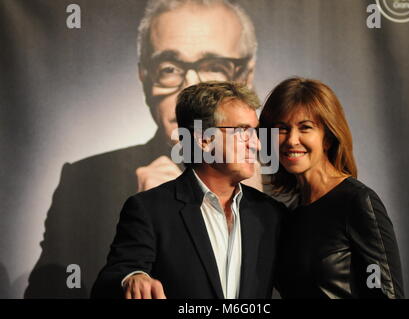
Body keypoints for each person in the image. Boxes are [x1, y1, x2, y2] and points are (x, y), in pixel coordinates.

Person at [25, 0, 260, 298]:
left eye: (214, 67)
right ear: (144, 76)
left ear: (246, 75)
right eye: (169, 68)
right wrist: (133, 275)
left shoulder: (278, 194)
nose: (190, 87)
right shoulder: (86, 181)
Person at [91, 81, 285, 299]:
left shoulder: (270, 214)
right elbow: (112, 280)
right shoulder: (149, 209)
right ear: (203, 139)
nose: (257, 145)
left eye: (255, 132)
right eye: (242, 132)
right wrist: (133, 278)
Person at [259, 77, 404, 298]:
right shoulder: (289, 215)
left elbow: (384, 292)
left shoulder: (356, 202)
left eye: (305, 127)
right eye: (282, 129)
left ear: (327, 137)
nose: (291, 140)